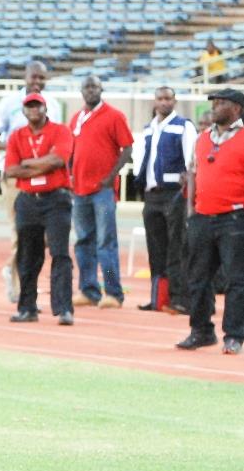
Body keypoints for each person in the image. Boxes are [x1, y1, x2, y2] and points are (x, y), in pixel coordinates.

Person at [0, 61, 62, 303]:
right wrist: (17, 150)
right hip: (15, 178)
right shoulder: (9, 103)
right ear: (25, 76)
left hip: (46, 179)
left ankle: (17, 273)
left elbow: (59, 142)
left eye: (42, 78)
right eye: (34, 77)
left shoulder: (55, 105)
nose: (37, 82)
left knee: (41, 238)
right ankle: (20, 289)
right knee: (19, 232)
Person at [176, 88, 244, 355]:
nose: (214, 107)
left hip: (235, 217)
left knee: (236, 279)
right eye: (214, 103)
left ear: (236, 109)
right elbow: (193, 172)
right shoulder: (203, 138)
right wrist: (190, 209)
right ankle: (201, 330)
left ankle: (234, 334)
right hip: (202, 217)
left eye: (220, 103)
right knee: (198, 277)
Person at [3, 92, 75, 326]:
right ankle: (27, 307)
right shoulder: (17, 136)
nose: (33, 110)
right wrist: (41, 166)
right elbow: (11, 170)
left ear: (45, 109)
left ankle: (64, 308)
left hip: (56, 199)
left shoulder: (60, 131)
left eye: (38, 106)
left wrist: (28, 164)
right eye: (29, 106)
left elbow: (58, 160)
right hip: (28, 200)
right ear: (24, 111)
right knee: (28, 255)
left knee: (60, 253)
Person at [68, 76, 133, 309]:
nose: (90, 90)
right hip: (80, 190)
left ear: (101, 89)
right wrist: (70, 173)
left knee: (106, 243)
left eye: (94, 86)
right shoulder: (76, 118)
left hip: (102, 191)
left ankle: (113, 292)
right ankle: (88, 289)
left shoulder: (114, 116)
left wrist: (111, 176)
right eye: (86, 87)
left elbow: (127, 148)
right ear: (81, 91)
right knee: (83, 241)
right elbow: (70, 150)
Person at [134, 86, 196, 313]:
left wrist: (187, 185)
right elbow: (142, 160)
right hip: (151, 195)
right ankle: (158, 298)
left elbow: (192, 159)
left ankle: (179, 298)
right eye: (160, 98)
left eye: (168, 98)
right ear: (154, 101)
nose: (164, 102)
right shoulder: (148, 129)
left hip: (174, 194)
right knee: (155, 248)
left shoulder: (183, 126)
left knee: (176, 247)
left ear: (174, 101)